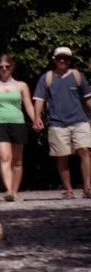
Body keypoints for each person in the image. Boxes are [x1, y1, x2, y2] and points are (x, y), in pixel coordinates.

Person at [32, 47, 91, 199]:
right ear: (54, 59)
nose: (62, 61)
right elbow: (39, 99)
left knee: (84, 151)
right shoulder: (47, 78)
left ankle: (88, 187)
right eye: (59, 58)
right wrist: (37, 117)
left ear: (70, 60)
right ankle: (68, 189)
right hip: (57, 122)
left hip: (79, 119)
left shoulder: (78, 76)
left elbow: (87, 98)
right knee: (62, 156)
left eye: (66, 58)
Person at [0, 55, 36, 201]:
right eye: (1, 67)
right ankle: (8, 190)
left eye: (7, 66)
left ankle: (15, 191)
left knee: (17, 160)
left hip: (17, 123)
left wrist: (36, 120)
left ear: (12, 67)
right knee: (5, 157)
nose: (4, 69)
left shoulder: (21, 86)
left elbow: (28, 104)